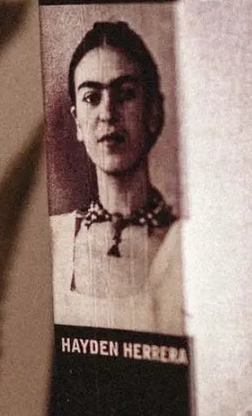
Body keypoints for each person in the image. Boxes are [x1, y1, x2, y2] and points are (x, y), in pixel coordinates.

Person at [49, 19, 185, 334]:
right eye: (91, 97)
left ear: (152, 111)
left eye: (124, 94)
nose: (108, 113)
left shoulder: (186, 246)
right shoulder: (54, 240)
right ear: (78, 123)